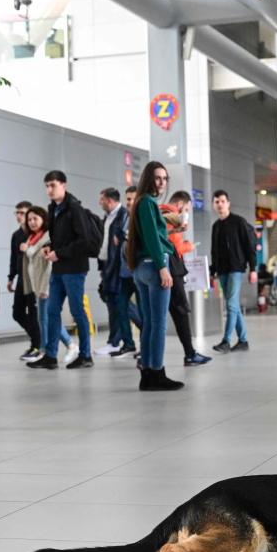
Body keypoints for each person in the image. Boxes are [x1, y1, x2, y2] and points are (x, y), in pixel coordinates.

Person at [28, 170, 94, 370]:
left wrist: (60, 253)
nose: (49, 190)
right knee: (51, 310)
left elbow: (84, 240)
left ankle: (85, 355)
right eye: (47, 186)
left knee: (77, 311)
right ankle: (50, 355)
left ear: (63, 185)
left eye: (53, 185)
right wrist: (51, 248)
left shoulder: (74, 208)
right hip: (58, 268)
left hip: (74, 268)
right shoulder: (53, 208)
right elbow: (59, 238)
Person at [127, 162, 183, 391]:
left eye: (164, 178)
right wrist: (162, 266)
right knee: (158, 323)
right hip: (154, 265)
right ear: (148, 178)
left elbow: (151, 233)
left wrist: (168, 231)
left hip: (141, 267)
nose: (161, 182)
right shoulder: (148, 202)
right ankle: (157, 373)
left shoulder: (141, 203)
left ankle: (148, 374)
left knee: (149, 323)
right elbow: (151, 236)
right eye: (157, 177)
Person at [160, 191, 211, 367]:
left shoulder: (157, 212)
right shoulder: (171, 216)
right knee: (180, 312)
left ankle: (147, 357)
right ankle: (190, 354)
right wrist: (190, 245)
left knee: (154, 315)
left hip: (155, 269)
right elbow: (176, 246)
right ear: (181, 204)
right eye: (187, 208)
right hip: (172, 270)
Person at [21, 206, 75, 363]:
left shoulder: (47, 237)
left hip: (47, 284)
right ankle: (67, 346)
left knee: (46, 319)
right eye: (29, 219)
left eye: (35, 218)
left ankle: (47, 350)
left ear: (43, 219)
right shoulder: (32, 238)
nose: (32, 222)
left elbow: (49, 266)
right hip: (37, 284)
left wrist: (45, 287)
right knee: (44, 319)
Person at [209, 190, 257, 353]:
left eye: (222, 201)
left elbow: (249, 247)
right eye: (217, 202)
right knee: (234, 305)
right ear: (213, 205)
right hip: (222, 270)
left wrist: (253, 269)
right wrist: (212, 272)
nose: (220, 204)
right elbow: (214, 251)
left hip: (236, 269)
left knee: (230, 304)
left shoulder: (239, 222)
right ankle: (243, 340)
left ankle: (226, 341)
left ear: (228, 203)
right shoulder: (215, 226)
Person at [95, 187, 128, 356]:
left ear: (109, 200)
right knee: (114, 303)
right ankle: (117, 341)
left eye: (102, 199)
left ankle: (117, 341)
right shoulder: (108, 217)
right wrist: (101, 266)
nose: (100, 202)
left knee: (121, 304)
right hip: (109, 266)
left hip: (118, 267)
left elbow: (120, 245)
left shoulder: (123, 215)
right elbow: (104, 244)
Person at [8, 201, 41, 360]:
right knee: (17, 313)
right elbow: (14, 258)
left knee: (34, 314)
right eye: (17, 213)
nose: (19, 216)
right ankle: (37, 339)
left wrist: (28, 249)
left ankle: (37, 344)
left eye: (22, 213)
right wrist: (11, 277)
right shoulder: (16, 235)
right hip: (21, 279)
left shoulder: (35, 234)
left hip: (34, 280)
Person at [111, 185, 140, 359]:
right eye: (127, 198)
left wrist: (124, 237)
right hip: (125, 271)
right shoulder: (125, 217)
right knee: (120, 305)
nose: (129, 202)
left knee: (143, 310)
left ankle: (147, 345)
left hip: (138, 271)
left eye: (132, 198)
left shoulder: (141, 217)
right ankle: (128, 344)